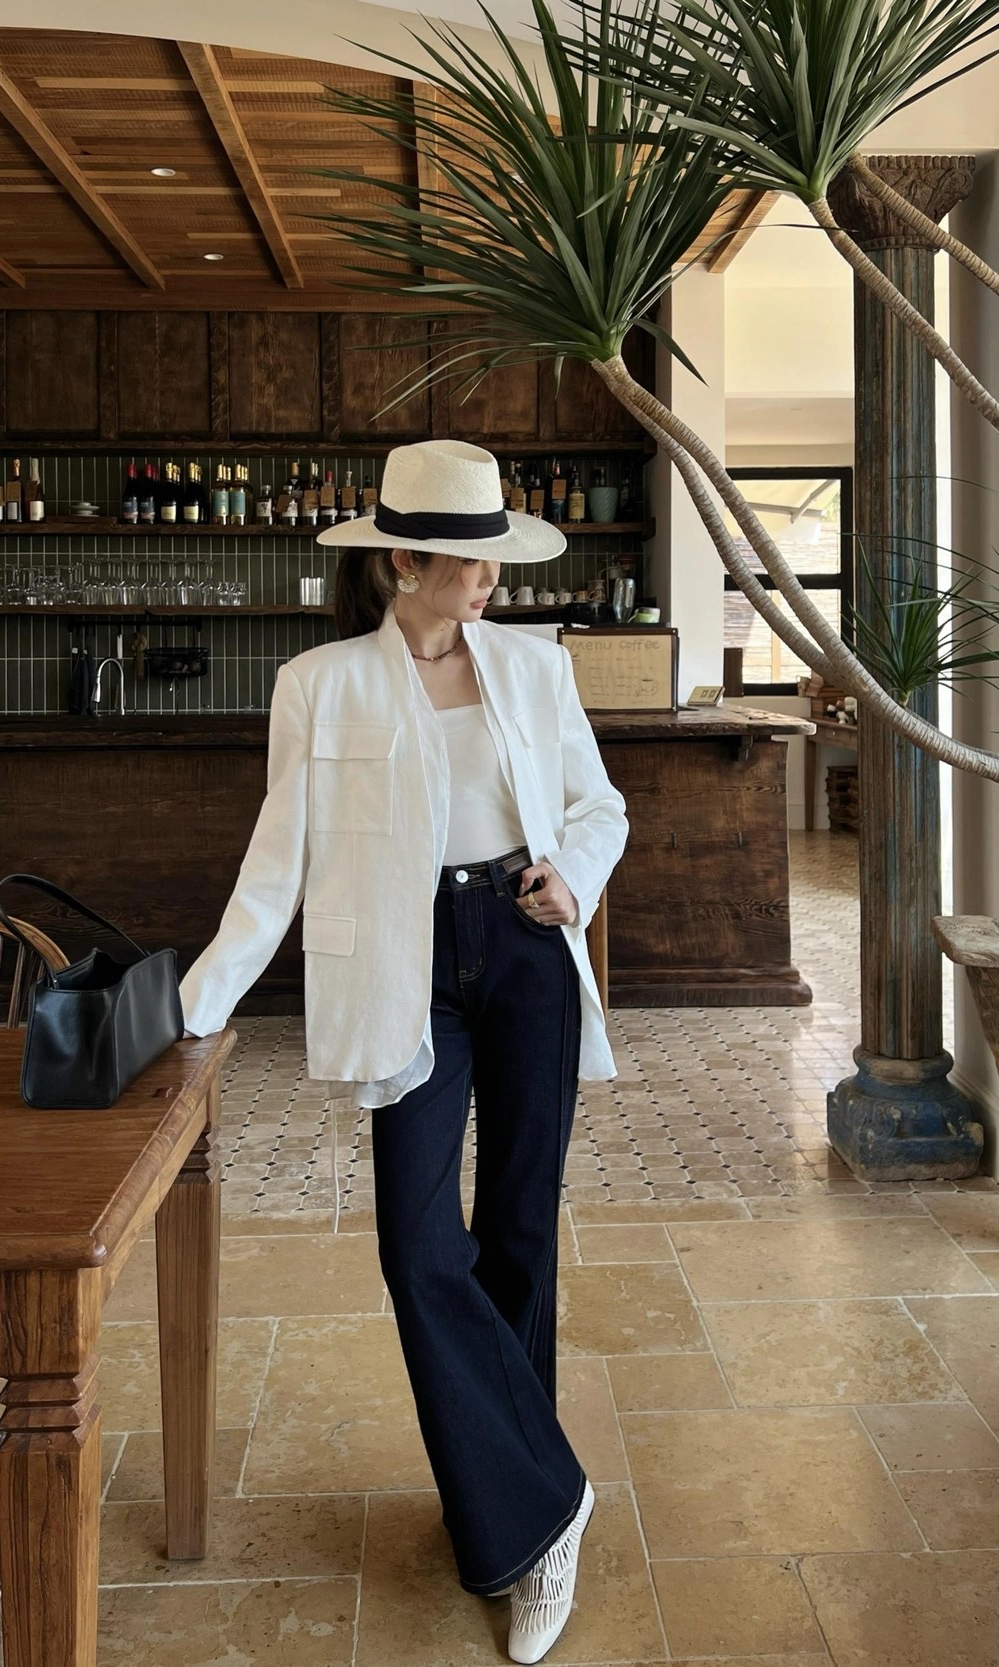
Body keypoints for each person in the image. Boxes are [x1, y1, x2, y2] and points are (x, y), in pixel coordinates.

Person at [180, 439, 628, 1664]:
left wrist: (571, 877)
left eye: (492, 557)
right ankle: (550, 1491)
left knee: (519, 1227)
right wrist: (194, 1004)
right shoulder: (318, 684)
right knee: (418, 1243)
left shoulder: (534, 666)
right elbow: (274, 864)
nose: (488, 577)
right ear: (401, 563)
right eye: (465, 560)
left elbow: (596, 804)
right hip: (404, 962)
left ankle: (515, 1528)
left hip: (524, 945)